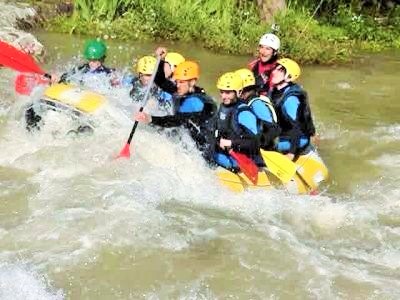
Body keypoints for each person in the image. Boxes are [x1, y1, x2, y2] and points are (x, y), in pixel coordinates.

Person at [134, 60, 217, 162]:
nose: (177, 85)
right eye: (177, 81)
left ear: (192, 82)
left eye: (181, 82)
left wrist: (151, 119)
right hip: (186, 141)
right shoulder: (182, 90)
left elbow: (176, 121)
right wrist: (161, 60)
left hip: (201, 155)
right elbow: (160, 81)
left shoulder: (196, 102)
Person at [213, 72, 264, 171]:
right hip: (228, 153)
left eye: (228, 93)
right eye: (222, 92)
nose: (223, 96)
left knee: (207, 154)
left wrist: (231, 143)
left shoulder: (244, 112)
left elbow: (255, 142)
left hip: (242, 159)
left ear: (239, 92)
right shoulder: (223, 107)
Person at [268, 58, 316, 160]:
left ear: (289, 77)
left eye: (280, 70)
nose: (274, 71)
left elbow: (296, 127)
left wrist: (291, 153)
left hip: (295, 140)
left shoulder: (291, 100)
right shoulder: (275, 91)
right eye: (276, 68)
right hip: (285, 134)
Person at [234, 68, 281, 150]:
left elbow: (274, 129)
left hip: (264, 147)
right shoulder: (244, 102)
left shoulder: (256, 104)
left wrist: (258, 144)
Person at [51, 39, 117, 87]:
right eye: (89, 60)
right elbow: (69, 75)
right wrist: (60, 78)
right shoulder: (84, 68)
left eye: (94, 61)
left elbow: (114, 82)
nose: (91, 63)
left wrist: (114, 82)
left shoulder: (106, 72)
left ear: (102, 60)